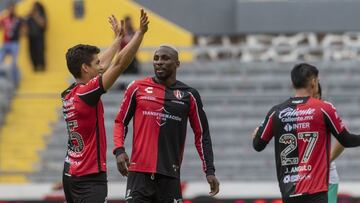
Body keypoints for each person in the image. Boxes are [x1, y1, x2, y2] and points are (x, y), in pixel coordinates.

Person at [61, 9, 149, 203]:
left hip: (71, 171)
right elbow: (118, 65)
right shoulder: (87, 94)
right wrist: (139, 34)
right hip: (89, 177)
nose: (101, 65)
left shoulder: (70, 92)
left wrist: (118, 39)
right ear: (85, 68)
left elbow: (104, 63)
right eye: (95, 63)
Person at [113, 45, 220, 202]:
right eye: (156, 59)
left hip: (170, 175)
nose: (159, 62)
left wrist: (209, 170)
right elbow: (120, 122)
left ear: (177, 63)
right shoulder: (136, 88)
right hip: (139, 174)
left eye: (165, 58)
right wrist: (119, 150)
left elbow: (202, 134)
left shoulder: (189, 95)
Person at [252, 63, 360, 203]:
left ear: (293, 83)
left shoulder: (276, 112)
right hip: (315, 192)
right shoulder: (324, 108)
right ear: (314, 82)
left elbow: (258, 145)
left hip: (289, 193)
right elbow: (346, 140)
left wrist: (256, 136)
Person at [314, 83, 342, 203]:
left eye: (315, 95)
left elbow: (343, 139)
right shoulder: (295, 114)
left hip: (326, 179)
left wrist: (327, 159)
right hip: (304, 179)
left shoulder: (324, 111)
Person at [0, 1, 23, 86]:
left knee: (13, 63)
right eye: (9, 8)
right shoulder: (4, 19)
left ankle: (15, 82)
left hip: (14, 44)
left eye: (12, 8)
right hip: (6, 43)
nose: (11, 10)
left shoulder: (18, 19)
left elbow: (23, 30)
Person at [26, 1, 46, 72]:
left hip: (39, 37)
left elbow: (43, 25)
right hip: (31, 38)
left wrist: (36, 16)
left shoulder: (41, 15)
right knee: (32, 53)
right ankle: (35, 67)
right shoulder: (29, 17)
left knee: (40, 52)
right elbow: (25, 26)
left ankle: (42, 67)